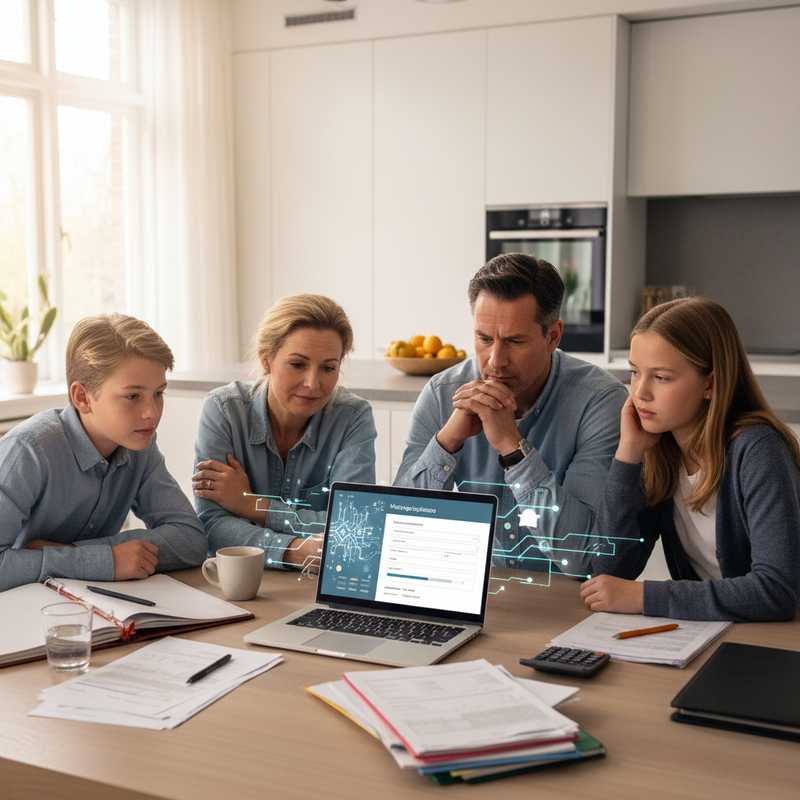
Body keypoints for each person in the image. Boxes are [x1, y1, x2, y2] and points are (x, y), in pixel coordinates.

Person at [394, 253, 627, 573]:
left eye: (515, 341)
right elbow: (399, 534)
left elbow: (581, 557)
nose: (494, 361)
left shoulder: (599, 402)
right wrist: (447, 442)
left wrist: (512, 449)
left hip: (567, 600)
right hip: (476, 590)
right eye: (484, 338)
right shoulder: (441, 392)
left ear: (553, 337)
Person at [579, 297, 800, 621]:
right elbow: (608, 570)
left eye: (662, 377)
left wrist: (644, 596)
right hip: (711, 633)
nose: (640, 392)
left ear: (710, 383)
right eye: (635, 373)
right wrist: (628, 455)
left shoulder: (758, 451)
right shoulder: (659, 451)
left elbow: (775, 591)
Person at [0, 314, 208, 592]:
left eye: (158, 394)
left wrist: (83, 555)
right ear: (82, 398)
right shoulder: (28, 451)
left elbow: (191, 539)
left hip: (94, 604)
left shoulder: (139, 447)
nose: (152, 413)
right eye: (133, 396)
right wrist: (105, 561)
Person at [193, 294, 376, 570]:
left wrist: (254, 506)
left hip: (317, 587)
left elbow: (353, 528)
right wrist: (292, 551)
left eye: (328, 368)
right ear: (267, 360)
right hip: (235, 583)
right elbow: (212, 525)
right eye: (298, 364)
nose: (313, 384)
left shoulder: (353, 417)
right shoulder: (224, 410)